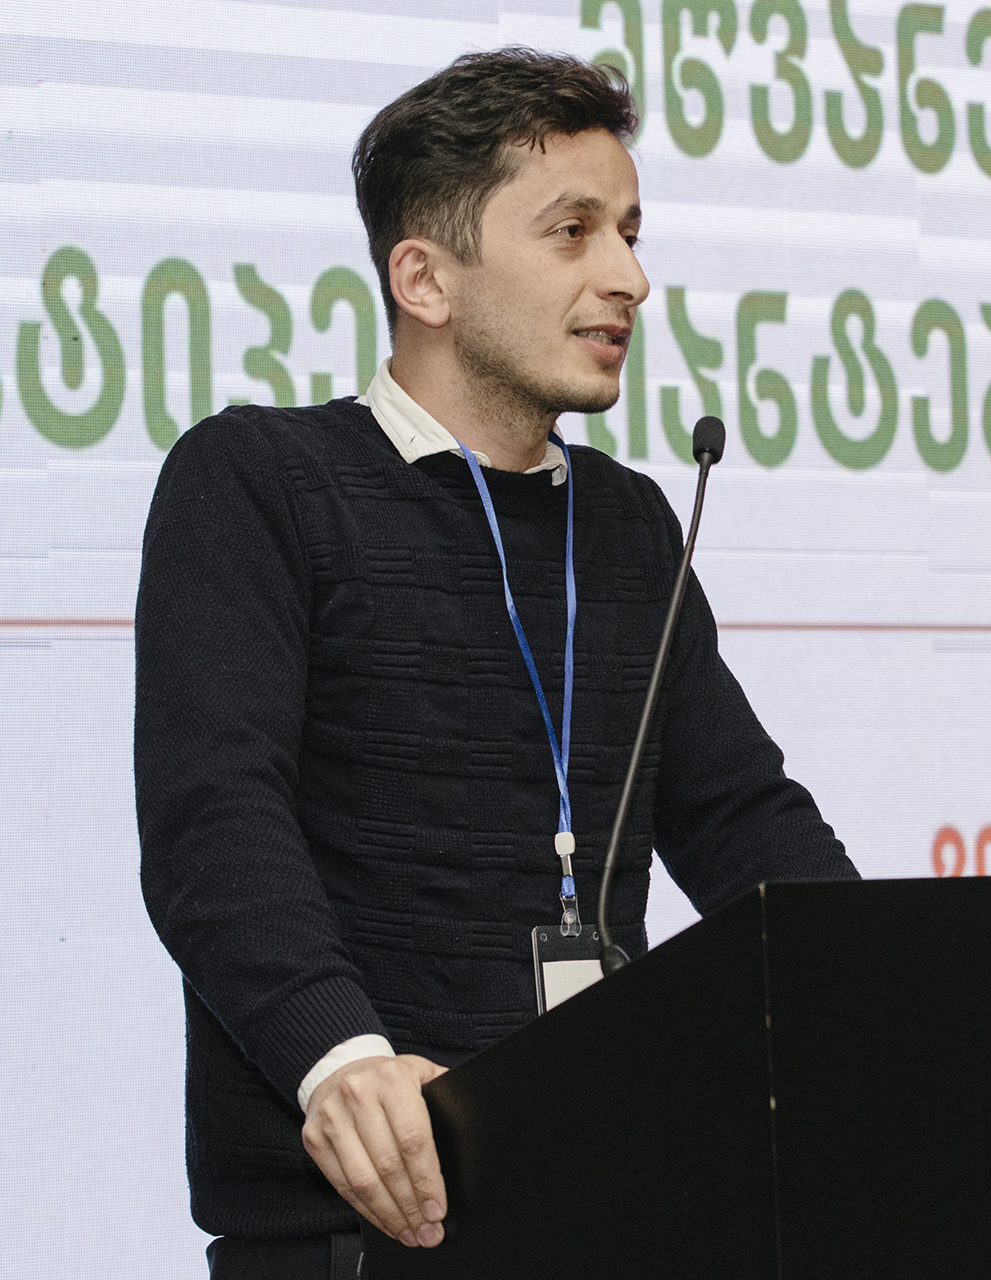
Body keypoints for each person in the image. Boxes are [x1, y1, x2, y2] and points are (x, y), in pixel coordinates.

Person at [135, 48, 857, 1279]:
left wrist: (885, 1001)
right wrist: (342, 1059)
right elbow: (215, 817)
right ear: (425, 277)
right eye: (573, 232)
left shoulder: (629, 523)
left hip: (616, 1211)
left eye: (630, 232)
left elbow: (744, 819)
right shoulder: (262, 480)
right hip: (365, 1230)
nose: (629, 277)